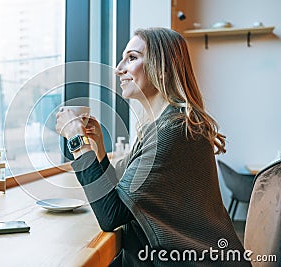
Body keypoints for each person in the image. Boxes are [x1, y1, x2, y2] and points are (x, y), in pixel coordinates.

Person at [56, 27, 250, 266]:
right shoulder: (161, 125)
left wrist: (77, 140)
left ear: (162, 67)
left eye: (132, 58)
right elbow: (119, 191)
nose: (119, 69)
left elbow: (111, 215)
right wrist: (98, 149)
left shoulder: (173, 131)